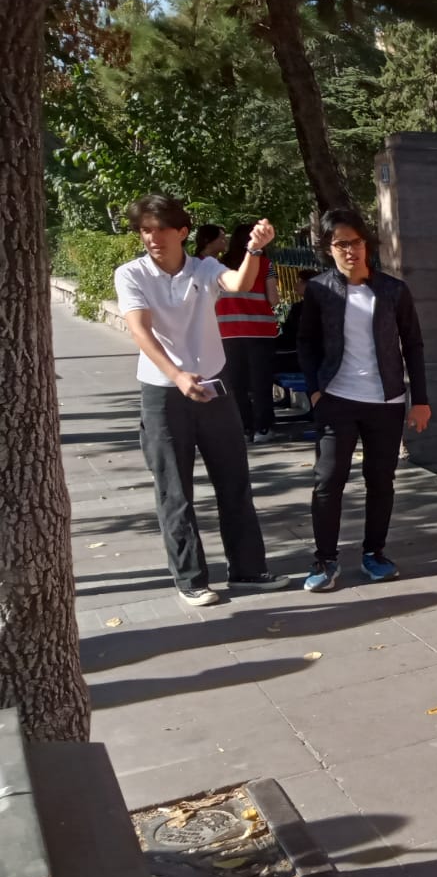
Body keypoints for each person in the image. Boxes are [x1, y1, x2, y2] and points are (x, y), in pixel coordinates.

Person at [113, 194, 292, 606]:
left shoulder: (204, 268)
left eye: (160, 229)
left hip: (214, 386)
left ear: (181, 232)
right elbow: (140, 330)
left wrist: (254, 250)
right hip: (162, 392)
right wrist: (176, 375)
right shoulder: (131, 274)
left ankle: (248, 570)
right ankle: (191, 578)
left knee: (234, 482)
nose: (152, 237)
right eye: (145, 230)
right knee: (174, 491)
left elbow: (239, 283)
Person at [297, 210, 430, 591]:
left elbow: (413, 344)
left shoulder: (393, 290)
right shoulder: (319, 290)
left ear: (366, 244)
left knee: (381, 480)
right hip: (336, 398)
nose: (350, 250)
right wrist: (315, 390)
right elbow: (306, 342)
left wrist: (420, 399)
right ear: (329, 248)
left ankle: (375, 553)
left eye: (355, 242)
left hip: (385, 400)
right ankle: (325, 560)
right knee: (328, 479)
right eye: (341, 244)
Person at [217, 222, 280, 443]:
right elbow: (273, 298)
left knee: (236, 383)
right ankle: (263, 428)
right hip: (260, 331)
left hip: (227, 331)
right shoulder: (265, 264)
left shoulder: (220, 266)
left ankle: (244, 428)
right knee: (261, 382)